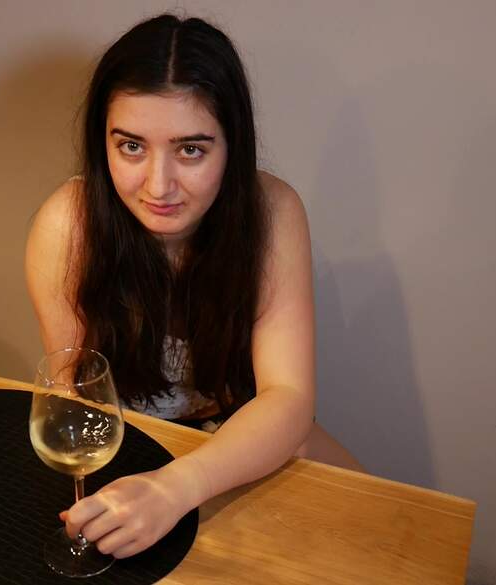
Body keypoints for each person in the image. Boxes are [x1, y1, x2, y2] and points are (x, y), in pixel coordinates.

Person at [25, 13, 362, 560]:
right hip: (129, 441)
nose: (159, 186)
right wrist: (151, 489)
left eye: (190, 150)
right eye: (131, 146)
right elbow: (75, 392)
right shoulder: (69, 226)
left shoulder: (273, 213)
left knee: (388, 536)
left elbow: (289, 399)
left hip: (249, 436)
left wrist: (177, 486)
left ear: (232, 146)